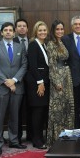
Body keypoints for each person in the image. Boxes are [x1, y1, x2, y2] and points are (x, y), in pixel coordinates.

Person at [0, 22, 28, 155]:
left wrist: (14, 80)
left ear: (14, 32)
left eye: (10, 30)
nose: (8, 32)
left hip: (17, 87)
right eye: (5, 30)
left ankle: (14, 141)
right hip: (0, 87)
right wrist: (7, 82)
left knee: (14, 116)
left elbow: (24, 65)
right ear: (1, 33)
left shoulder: (20, 47)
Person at [46, 19, 74, 146]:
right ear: (53, 30)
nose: (60, 31)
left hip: (66, 77)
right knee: (58, 109)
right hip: (58, 78)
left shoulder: (61, 42)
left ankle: (66, 135)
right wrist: (56, 82)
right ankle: (56, 138)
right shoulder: (51, 44)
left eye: (62, 29)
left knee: (66, 107)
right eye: (57, 29)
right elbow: (51, 65)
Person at [25, 21, 49, 149]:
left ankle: (40, 136)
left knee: (42, 111)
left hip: (44, 82)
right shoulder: (33, 44)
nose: (43, 32)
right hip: (36, 83)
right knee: (37, 112)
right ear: (35, 32)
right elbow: (33, 66)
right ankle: (36, 140)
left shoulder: (44, 44)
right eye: (40, 30)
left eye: (44, 30)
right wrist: (40, 83)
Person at [13, 18, 31, 144]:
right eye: (19, 26)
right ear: (16, 29)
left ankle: (30, 135)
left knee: (31, 108)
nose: (22, 28)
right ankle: (17, 136)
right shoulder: (10, 42)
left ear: (27, 28)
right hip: (16, 81)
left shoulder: (33, 41)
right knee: (17, 110)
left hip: (31, 80)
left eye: (24, 26)